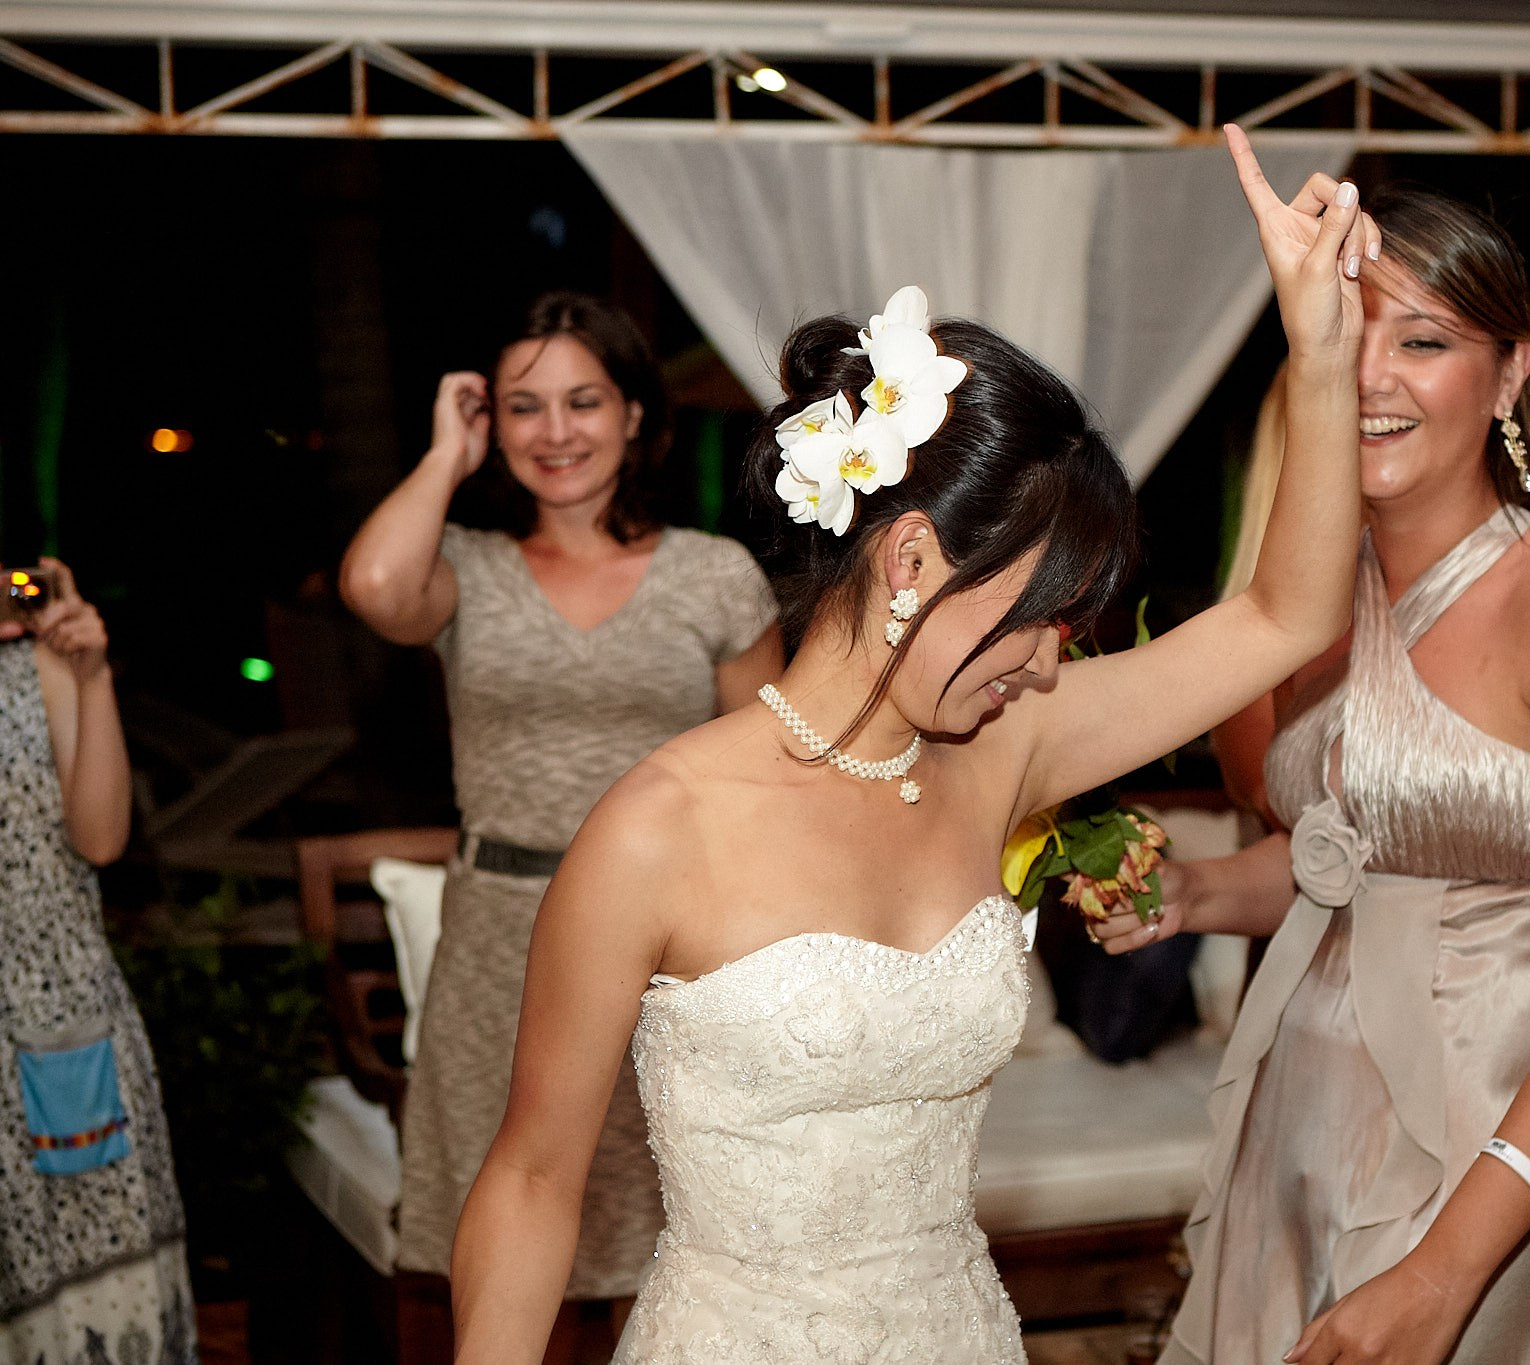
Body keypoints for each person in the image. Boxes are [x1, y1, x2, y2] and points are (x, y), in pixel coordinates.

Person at [445, 126, 1375, 1364]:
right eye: (1038, 615)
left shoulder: (1009, 750)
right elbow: (528, 1185)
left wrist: (1319, 353)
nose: (1052, 661)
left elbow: (1284, 615)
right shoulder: (659, 827)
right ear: (911, 556)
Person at [1098, 182, 1530, 1365]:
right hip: (1292, 1125)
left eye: (1421, 341)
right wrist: (1197, 895)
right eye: (1348, 336)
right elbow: (1350, 870)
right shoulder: (1305, 601)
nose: (1372, 378)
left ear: (1509, 376)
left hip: (1481, 1164)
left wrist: (1447, 1271)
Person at [339, 291, 784, 1354]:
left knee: (660, 1238)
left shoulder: (712, 573)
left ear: (634, 414)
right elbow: (371, 585)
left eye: (583, 401)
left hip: (663, 947)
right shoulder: (469, 569)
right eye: (524, 407)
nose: (555, 432)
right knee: (496, 1223)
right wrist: (447, 452)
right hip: (499, 941)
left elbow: (765, 778)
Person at [0, 559, 196, 1365]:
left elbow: (103, 837)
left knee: (100, 1319)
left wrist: (92, 674)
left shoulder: (40, 663)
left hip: (60, 1028)